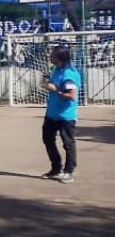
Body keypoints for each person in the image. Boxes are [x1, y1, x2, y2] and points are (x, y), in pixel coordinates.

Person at [40, 46, 80, 183]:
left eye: (52, 55)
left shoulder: (69, 74)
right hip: (52, 114)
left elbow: (71, 95)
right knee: (47, 139)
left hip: (66, 116)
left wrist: (55, 89)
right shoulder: (56, 69)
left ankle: (68, 171)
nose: (50, 56)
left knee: (68, 143)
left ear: (59, 58)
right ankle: (56, 168)